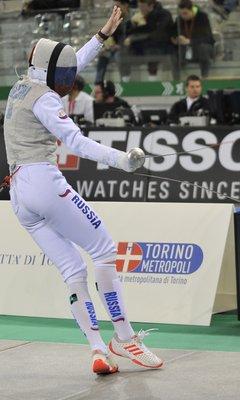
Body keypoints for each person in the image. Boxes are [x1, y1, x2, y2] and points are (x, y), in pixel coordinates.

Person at [3, 6, 162, 374]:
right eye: (63, 75)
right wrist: (123, 160)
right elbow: (75, 142)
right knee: (104, 250)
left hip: (19, 195)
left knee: (73, 270)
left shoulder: (22, 85)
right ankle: (125, 339)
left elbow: (71, 64)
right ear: (49, 74)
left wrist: (101, 36)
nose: (70, 79)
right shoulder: (46, 98)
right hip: (43, 182)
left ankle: (96, 350)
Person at [125, 0, 174, 81]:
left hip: (165, 45)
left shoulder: (164, 14)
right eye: (139, 7)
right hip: (152, 44)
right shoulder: (150, 15)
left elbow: (158, 32)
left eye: (142, 7)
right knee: (129, 47)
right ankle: (126, 77)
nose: (140, 9)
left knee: (151, 49)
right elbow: (147, 29)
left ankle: (152, 79)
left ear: (150, 6)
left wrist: (137, 37)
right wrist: (132, 28)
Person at [171, 0, 215, 79]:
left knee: (203, 48)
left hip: (200, 46)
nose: (183, 16)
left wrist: (189, 41)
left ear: (192, 10)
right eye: (181, 14)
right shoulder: (179, 19)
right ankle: (177, 80)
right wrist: (175, 39)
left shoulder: (202, 17)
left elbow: (207, 38)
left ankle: (205, 76)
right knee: (173, 53)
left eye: (185, 13)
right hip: (186, 49)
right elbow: (173, 32)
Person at [95, 0, 133, 83]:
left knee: (119, 55)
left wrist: (120, 45)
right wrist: (107, 47)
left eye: (118, 7)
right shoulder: (116, 21)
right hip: (115, 48)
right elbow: (110, 37)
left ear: (125, 6)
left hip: (129, 49)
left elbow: (132, 37)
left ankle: (125, 80)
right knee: (103, 55)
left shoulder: (132, 20)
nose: (116, 10)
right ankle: (98, 83)